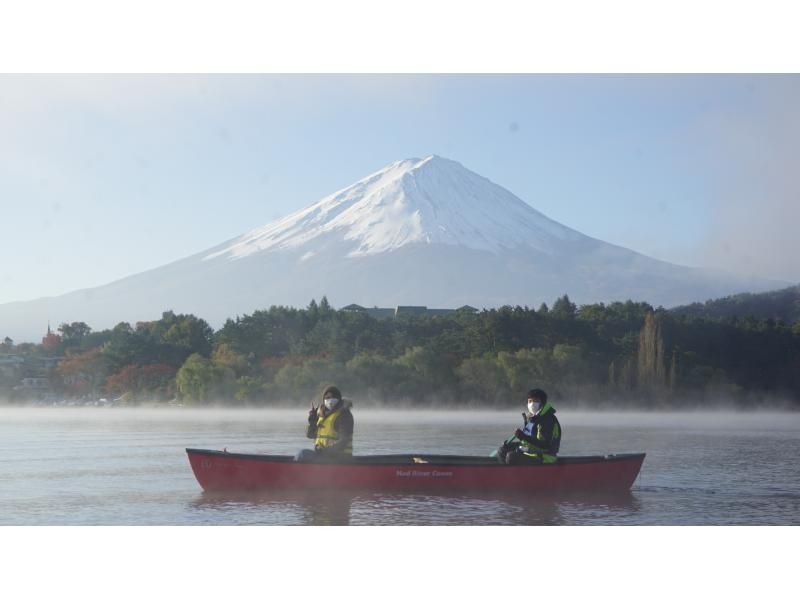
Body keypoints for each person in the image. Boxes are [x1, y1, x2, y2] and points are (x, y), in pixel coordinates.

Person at [496, 388, 561, 465]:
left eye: (536, 401)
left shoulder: (547, 419)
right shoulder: (533, 418)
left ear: (542, 403)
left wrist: (523, 437)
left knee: (512, 457)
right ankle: (505, 473)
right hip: (531, 452)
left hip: (544, 457)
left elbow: (544, 446)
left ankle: (512, 475)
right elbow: (529, 442)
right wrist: (520, 441)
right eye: (530, 401)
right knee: (503, 449)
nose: (532, 404)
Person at [295, 385, 354, 462]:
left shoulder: (344, 415)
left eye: (333, 397)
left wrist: (324, 451)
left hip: (340, 458)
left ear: (339, 399)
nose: (330, 400)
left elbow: (344, 441)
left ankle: (294, 472)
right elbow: (310, 435)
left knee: (302, 454)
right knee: (302, 454)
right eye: (327, 398)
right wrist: (313, 421)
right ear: (323, 400)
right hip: (325, 457)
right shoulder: (322, 415)